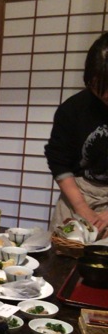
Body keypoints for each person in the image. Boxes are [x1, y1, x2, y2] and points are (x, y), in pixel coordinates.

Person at [45, 32, 108, 237]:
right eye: (100, 89)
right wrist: (81, 207)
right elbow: (59, 161)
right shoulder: (72, 109)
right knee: (62, 257)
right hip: (78, 193)